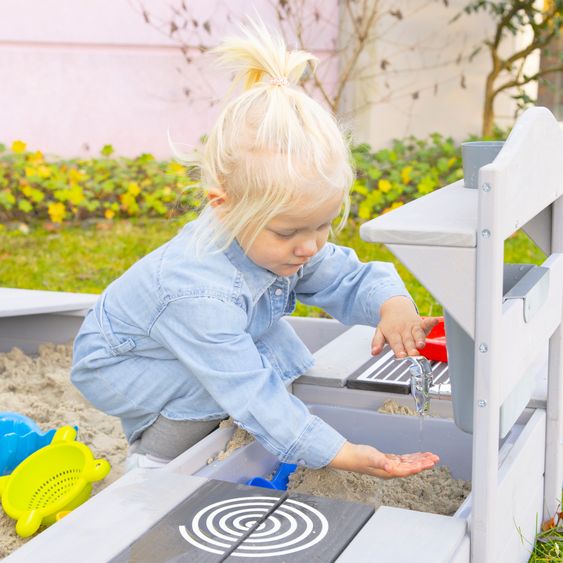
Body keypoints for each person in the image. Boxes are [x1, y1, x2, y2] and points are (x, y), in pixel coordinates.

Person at [71, 19, 439, 477]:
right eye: (288, 233)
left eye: (322, 224)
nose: (309, 246)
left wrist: (393, 304)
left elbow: (347, 275)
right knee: (212, 385)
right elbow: (250, 392)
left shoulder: (287, 238)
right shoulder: (198, 291)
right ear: (223, 207)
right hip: (120, 362)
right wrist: (338, 452)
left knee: (268, 353)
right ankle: (154, 464)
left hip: (182, 337)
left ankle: (202, 437)